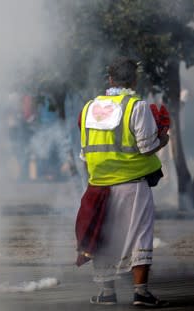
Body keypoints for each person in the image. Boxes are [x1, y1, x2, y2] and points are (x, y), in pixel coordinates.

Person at [75, 57, 170, 307]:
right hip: (132, 185)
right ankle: (141, 293)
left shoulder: (88, 108)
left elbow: (84, 154)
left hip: (99, 186)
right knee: (140, 234)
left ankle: (107, 293)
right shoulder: (136, 106)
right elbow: (147, 148)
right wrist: (163, 140)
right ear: (134, 79)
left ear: (110, 79)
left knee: (105, 237)